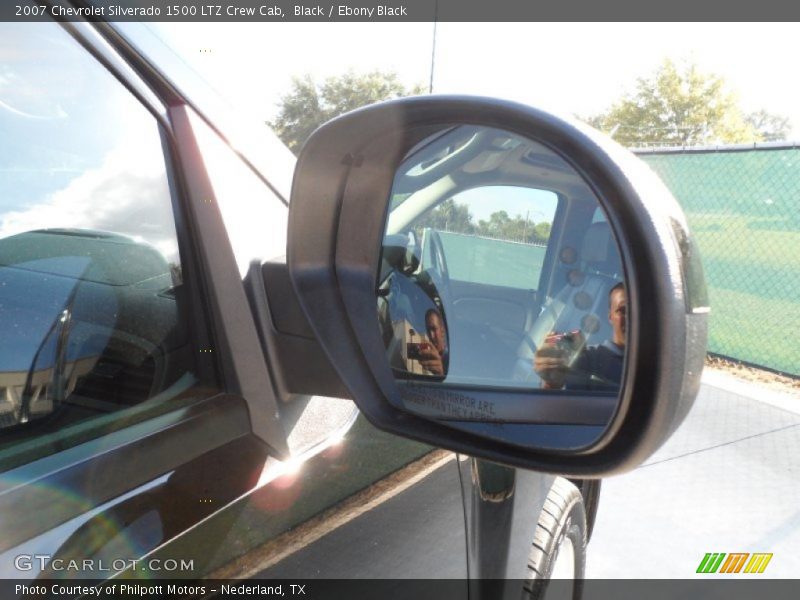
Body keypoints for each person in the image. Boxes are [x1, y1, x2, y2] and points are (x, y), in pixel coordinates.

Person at [534, 282, 626, 391]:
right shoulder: (587, 360)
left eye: (641, 311)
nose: (634, 318)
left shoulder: (651, 362)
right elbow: (553, 400)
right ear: (610, 317)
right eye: (623, 311)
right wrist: (550, 378)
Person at [416, 308, 449, 376]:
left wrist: (440, 373)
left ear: (442, 331)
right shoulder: (429, 357)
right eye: (428, 330)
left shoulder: (451, 360)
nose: (431, 336)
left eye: (434, 329)